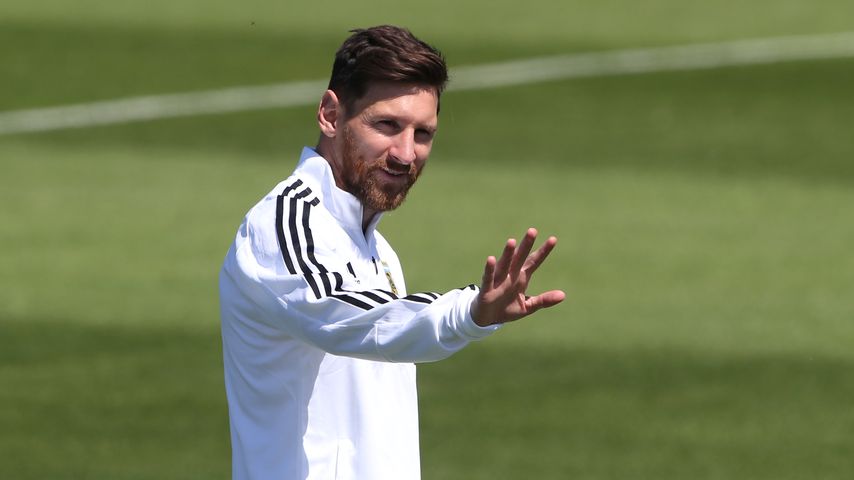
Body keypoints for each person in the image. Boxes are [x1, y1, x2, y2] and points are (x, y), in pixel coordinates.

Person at [219, 25, 565, 480]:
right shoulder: (284, 227)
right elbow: (358, 319)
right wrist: (469, 312)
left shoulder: (377, 248)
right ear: (330, 114)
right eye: (387, 126)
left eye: (423, 133)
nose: (406, 154)